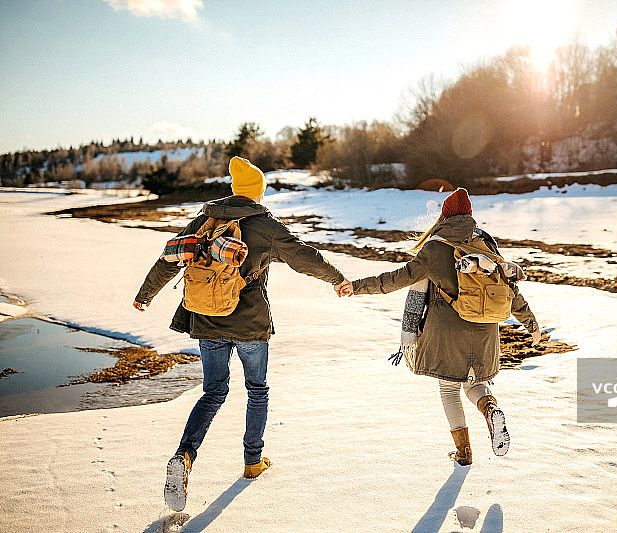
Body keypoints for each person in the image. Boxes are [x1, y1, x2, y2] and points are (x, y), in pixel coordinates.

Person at [133, 156, 350, 511]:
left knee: (213, 392)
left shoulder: (206, 219)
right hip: (249, 324)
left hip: (206, 320)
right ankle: (252, 461)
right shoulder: (265, 225)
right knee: (257, 390)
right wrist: (337, 278)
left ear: (235, 190)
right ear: (258, 192)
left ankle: (184, 456)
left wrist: (146, 294)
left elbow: (169, 258)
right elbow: (304, 257)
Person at [338, 188, 540, 466]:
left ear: (444, 216)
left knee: (449, 390)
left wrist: (357, 286)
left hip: (447, 331)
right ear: (469, 215)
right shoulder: (485, 244)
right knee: (475, 383)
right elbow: (510, 288)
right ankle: (489, 409)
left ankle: (464, 453)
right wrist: (531, 323)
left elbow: (397, 278)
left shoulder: (435, 247)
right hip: (486, 329)